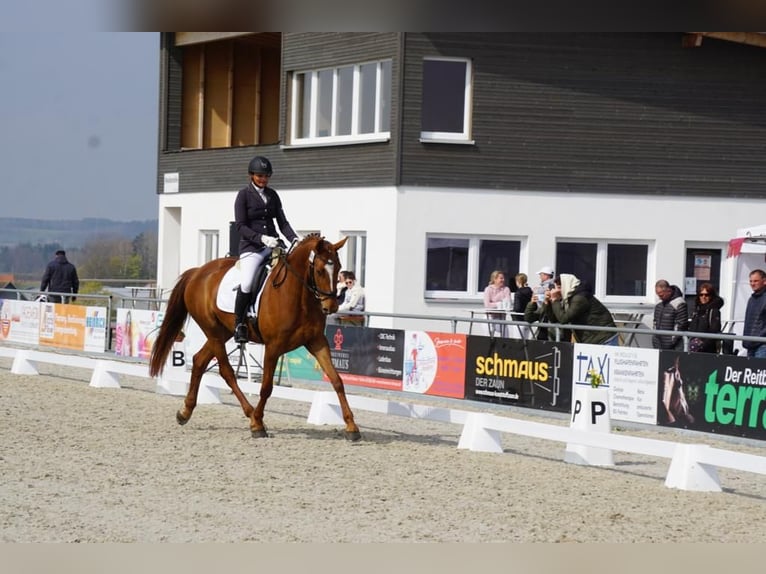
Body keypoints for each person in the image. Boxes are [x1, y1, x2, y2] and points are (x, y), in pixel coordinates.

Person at [233, 155, 299, 343]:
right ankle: (240, 324)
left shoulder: (273, 195)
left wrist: (294, 239)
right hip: (252, 248)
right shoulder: (243, 195)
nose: (263, 179)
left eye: (266, 176)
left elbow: (282, 222)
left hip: (274, 245)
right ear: (252, 175)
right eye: (260, 176)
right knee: (246, 282)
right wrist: (260, 238)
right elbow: (240, 226)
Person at [546, 273, 617, 344]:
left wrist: (555, 300)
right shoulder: (568, 299)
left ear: (566, 286)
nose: (556, 291)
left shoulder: (579, 298)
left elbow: (563, 319)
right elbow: (554, 319)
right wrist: (548, 303)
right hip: (593, 338)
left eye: (559, 287)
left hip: (604, 337)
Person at [652, 279, 688, 351]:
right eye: (658, 295)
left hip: (673, 346)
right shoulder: (659, 303)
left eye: (661, 295)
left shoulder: (679, 303)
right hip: (658, 344)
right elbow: (655, 322)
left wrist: (672, 341)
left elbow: (681, 324)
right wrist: (655, 338)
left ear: (668, 291)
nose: (659, 297)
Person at [687, 282, 723, 353]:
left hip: (707, 350)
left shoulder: (714, 311)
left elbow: (714, 330)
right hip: (693, 347)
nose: (703, 297)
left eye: (706, 295)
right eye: (701, 294)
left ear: (711, 296)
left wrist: (703, 344)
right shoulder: (697, 310)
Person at [742, 269, 766, 358]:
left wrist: (760, 336)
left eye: (756, 281)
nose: (752, 283)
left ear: (764, 281)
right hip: (750, 343)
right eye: (751, 281)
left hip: (762, 344)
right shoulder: (751, 299)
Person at [483, 270, 511, 336]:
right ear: (494, 279)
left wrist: (494, 303)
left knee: (506, 335)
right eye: (501, 278)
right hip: (489, 316)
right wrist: (499, 304)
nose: (503, 280)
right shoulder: (488, 289)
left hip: (501, 317)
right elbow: (487, 305)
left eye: (503, 278)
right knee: (488, 337)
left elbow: (508, 303)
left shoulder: (506, 289)